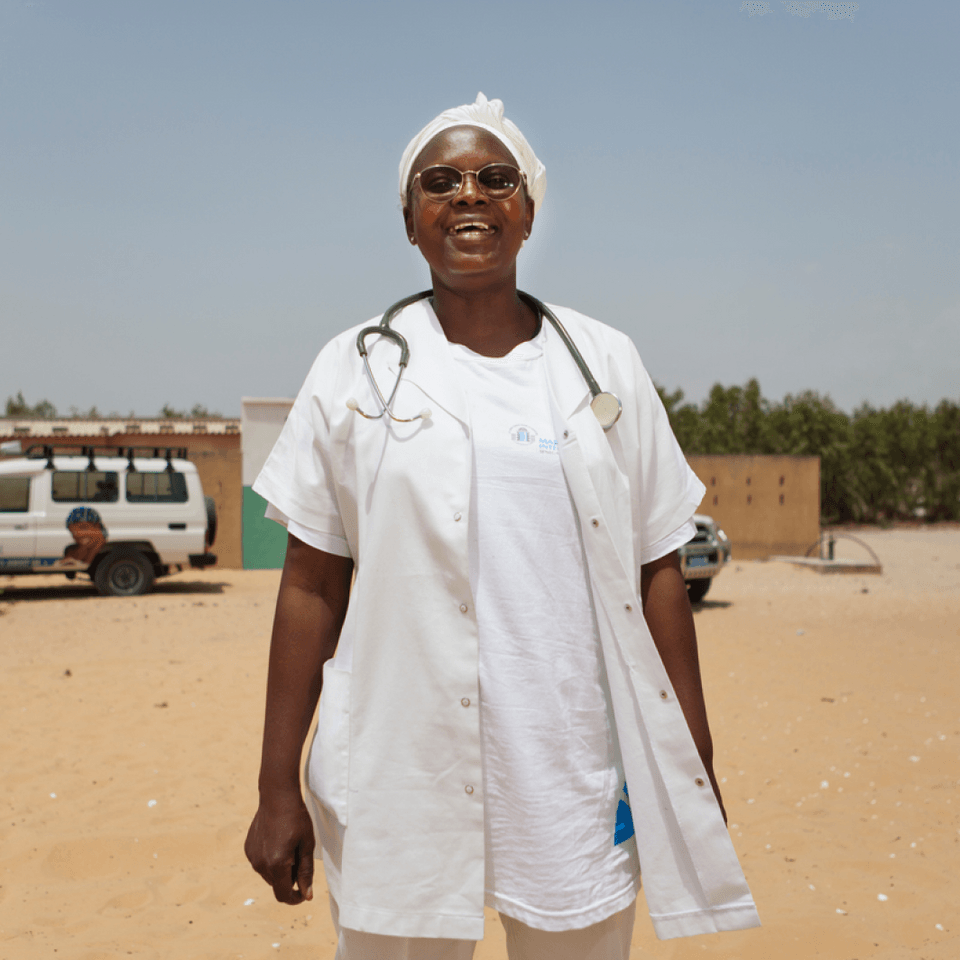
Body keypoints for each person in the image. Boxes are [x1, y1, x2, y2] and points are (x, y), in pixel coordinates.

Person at [244, 93, 760, 959]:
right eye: (439, 182)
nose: (469, 196)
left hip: (567, 754)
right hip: (398, 757)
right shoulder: (352, 366)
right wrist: (275, 785)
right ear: (410, 222)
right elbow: (310, 582)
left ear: (528, 210)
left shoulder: (606, 363)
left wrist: (691, 752)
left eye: (496, 179)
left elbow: (656, 566)